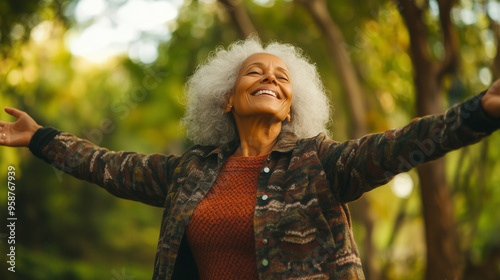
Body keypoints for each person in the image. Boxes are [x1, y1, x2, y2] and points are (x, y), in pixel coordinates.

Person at [1, 38, 500, 280]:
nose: (270, 78)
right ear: (226, 97)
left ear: (290, 105)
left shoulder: (319, 163)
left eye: (282, 77)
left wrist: (477, 112)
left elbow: (400, 144)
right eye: (254, 72)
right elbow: (107, 165)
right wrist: (40, 138)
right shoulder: (190, 171)